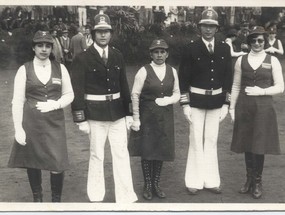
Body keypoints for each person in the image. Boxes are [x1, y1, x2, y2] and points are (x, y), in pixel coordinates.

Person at [70, 12, 137, 203]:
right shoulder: (82, 58)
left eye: (106, 31)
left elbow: (124, 86)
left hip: (117, 113)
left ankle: (125, 195)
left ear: (111, 33)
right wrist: (80, 118)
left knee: (121, 154)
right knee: (97, 155)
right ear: (92, 33)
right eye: (99, 31)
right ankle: (96, 195)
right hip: (94, 113)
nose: (103, 35)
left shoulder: (117, 55)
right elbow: (77, 89)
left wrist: (129, 113)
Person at [8, 30, 74, 202]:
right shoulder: (24, 69)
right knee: (33, 161)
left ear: (52, 48)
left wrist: (56, 104)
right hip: (32, 122)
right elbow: (17, 100)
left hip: (54, 122)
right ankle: (37, 199)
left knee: (57, 162)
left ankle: (56, 201)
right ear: (33, 47)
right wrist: (18, 129)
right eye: (40, 45)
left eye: (47, 45)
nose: (44, 49)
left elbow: (69, 94)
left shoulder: (61, 68)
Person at [178, 8, 232, 195]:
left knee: (211, 139)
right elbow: (182, 78)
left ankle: (211, 180)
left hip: (216, 101)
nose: (208, 30)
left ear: (216, 28)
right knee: (195, 139)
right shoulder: (190, 48)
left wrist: (226, 103)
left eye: (211, 26)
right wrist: (185, 104)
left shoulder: (225, 48)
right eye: (205, 26)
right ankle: (193, 180)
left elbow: (228, 78)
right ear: (200, 27)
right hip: (196, 101)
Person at [229, 26, 284, 199]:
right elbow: (236, 85)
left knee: (259, 144)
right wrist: (231, 108)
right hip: (244, 107)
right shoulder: (241, 60)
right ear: (249, 42)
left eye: (260, 40)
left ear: (265, 41)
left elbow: (281, 87)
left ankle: (258, 182)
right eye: (253, 40)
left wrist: (262, 91)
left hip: (263, 108)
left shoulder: (272, 60)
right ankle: (249, 180)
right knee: (247, 143)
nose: (257, 43)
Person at [128, 39, 180, 200]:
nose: (159, 55)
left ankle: (156, 184)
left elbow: (177, 93)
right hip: (147, 115)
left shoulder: (172, 71)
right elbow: (135, 95)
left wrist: (168, 100)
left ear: (167, 54)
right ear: (151, 54)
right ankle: (148, 184)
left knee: (161, 149)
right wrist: (136, 118)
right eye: (156, 52)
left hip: (165, 115)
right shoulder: (144, 71)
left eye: (162, 51)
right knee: (148, 149)